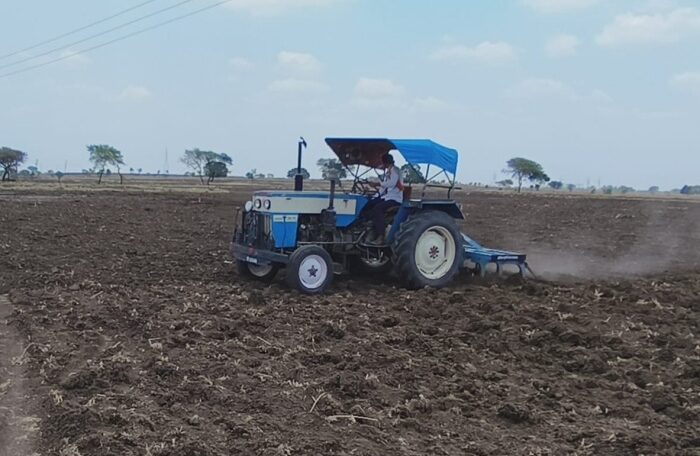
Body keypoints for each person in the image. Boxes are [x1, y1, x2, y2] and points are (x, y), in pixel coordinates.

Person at [363, 153, 403, 245]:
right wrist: (374, 196)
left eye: (383, 163)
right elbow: (383, 189)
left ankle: (380, 236)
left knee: (378, 208)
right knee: (368, 204)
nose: (382, 165)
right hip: (387, 197)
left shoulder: (395, 171)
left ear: (386, 163)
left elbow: (391, 183)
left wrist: (377, 184)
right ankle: (368, 226)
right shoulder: (388, 172)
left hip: (395, 199)